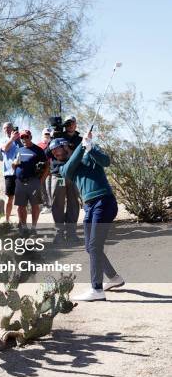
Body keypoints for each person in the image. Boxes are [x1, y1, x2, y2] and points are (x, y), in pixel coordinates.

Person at [57, 132, 124, 301]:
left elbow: (106, 161)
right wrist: (83, 145)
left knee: (94, 246)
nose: (57, 154)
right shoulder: (64, 167)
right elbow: (69, 167)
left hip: (104, 202)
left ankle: (97, 289)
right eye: (54, 153)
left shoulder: (89, 153)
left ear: (67, 146)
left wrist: (90, 147)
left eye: (60, 149)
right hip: (89, 207)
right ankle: (114, 278)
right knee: (90, 247)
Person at [12, 130, 49, 236]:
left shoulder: (38, 150)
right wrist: (14, 164)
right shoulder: (18, 150)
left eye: (26, 137)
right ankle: (24, 227)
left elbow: (47, 166)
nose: (24, 139)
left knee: (35, 205)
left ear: (31, 137)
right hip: (20, 181)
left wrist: (41, 180)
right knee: (20, 206)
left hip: (33, 181)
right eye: (22, 137)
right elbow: (14, 166)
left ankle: (33, 228)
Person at [47, 138, 81, 244]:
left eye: (56, 149)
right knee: (58, 204)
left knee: (73, 203)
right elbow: (45, 153)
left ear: (64, 147)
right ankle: (59, 233)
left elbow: (77, 157)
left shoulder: (72, 150)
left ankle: (71, 233)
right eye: (52, 150)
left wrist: (68, 148)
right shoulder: (50, 153)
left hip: (72, 177)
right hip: (59, 178)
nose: (54, 152)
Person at [0, 123, 22, 223]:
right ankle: (7, 220)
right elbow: (5, 148)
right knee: (9, 197)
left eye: (9, 127)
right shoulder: (3, 141)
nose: (7, 129)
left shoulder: (20, 139)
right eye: (5, 128)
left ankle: (20, 221)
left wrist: (18, 138)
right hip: (9, 173)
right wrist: (12, 139)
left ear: (13, 128)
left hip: (20, 172)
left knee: (20, 198)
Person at [37, 128, 53, 213]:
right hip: (41, 171)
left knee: (50, 188)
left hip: (51, 170)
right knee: (43, 189)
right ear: (42, 135)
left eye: (48, 134)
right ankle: (46, 206)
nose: (47, 136)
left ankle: (53, 206)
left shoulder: (53, 143)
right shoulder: (38, 145)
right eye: (45, 134)